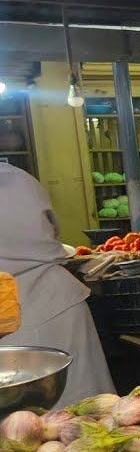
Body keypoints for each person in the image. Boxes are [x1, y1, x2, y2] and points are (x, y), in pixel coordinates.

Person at [0, 162, 114, 405]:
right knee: (84, 411)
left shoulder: (15, 178)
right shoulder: (18, 178)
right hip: (55, 300)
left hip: (31, 309)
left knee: (34, 425)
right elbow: (52, 231)